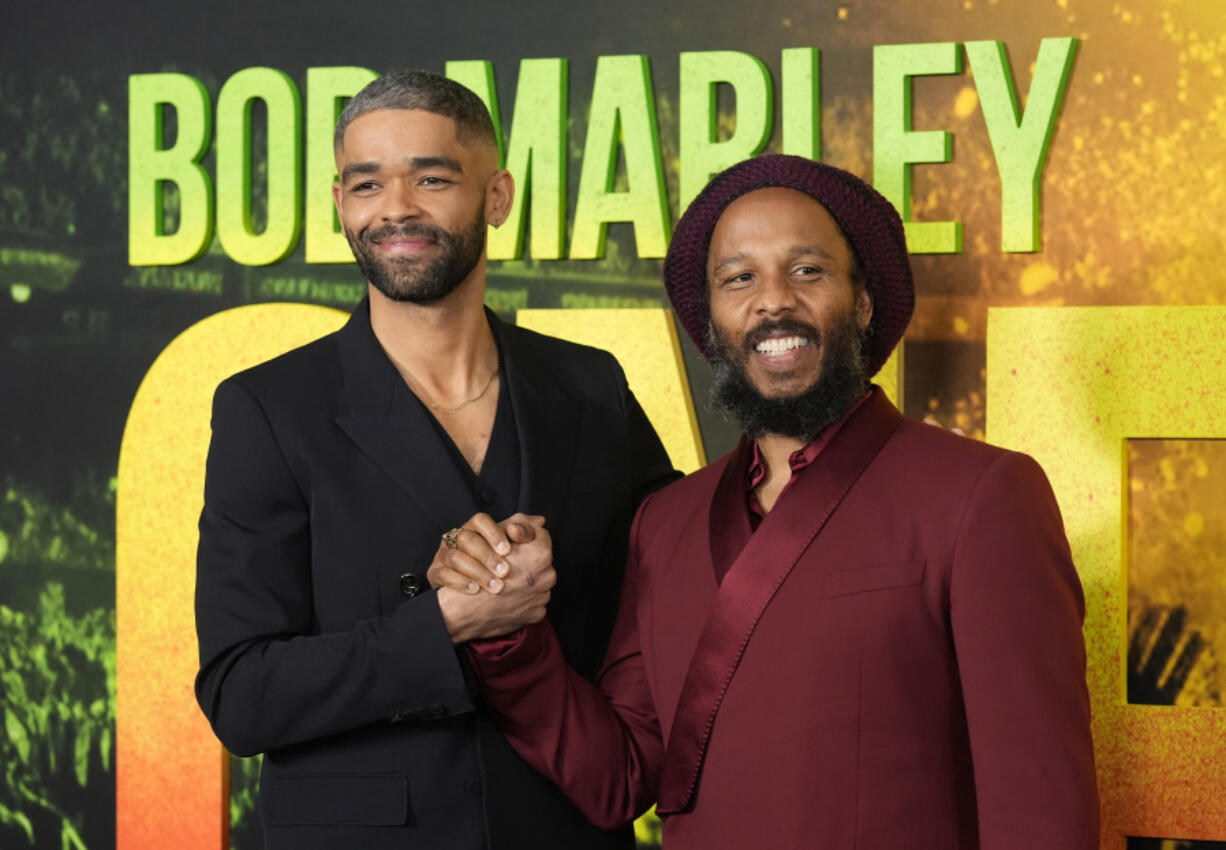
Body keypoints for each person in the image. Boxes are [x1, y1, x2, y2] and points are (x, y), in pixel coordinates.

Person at [443, 154, 1101, 848]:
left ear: (865, 301)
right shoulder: (665, 521)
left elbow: (1039, 805)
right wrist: (505, 633)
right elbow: (620, 774)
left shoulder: (980, 495)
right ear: (713, 319)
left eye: (807, 270)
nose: (773, 300)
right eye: (739, 278)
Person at [193, 69, 677, 850]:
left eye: (431, 178)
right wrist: (446, 626)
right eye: (367, 184)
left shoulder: (592, 388)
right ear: (339, 203)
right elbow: (242, 694)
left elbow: (674, 585)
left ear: (497, 197)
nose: (396, 210)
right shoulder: (268, 408)